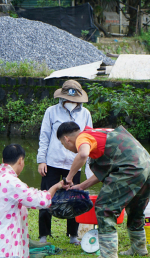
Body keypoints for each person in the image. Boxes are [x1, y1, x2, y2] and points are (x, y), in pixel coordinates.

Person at [57, 122, 150, 258]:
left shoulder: (82, 137)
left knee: (104, 207)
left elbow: (83, 154)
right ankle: (139, 248)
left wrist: (69, 178)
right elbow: (106, 171)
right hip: (146, 165)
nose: (68, 149)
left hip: (130, 168)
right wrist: (82, 186)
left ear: (66, 139)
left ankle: (108, 256)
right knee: (136, 207)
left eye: (64, 145)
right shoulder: (99, 133)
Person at [37, 80, 93, 245]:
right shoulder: (51, 112)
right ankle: (43, 235)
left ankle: (73, 235)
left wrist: (88, 164)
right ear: (62, 96)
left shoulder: (85, 114)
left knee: (74, 197)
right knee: (47, 197)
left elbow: (88, 140)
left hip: (74, 163)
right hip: (52, 161)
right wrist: (41, 160)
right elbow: (44, 136)